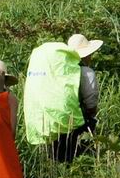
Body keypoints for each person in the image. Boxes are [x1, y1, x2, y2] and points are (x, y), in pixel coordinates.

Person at [24, 34, 102, 163]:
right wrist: (90, 116)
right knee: (81, 158)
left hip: (53, 122)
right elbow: (91, 102)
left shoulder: (58, 70)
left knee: (57, 158)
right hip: (78, 122)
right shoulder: (86, 72)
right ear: (87, 55)